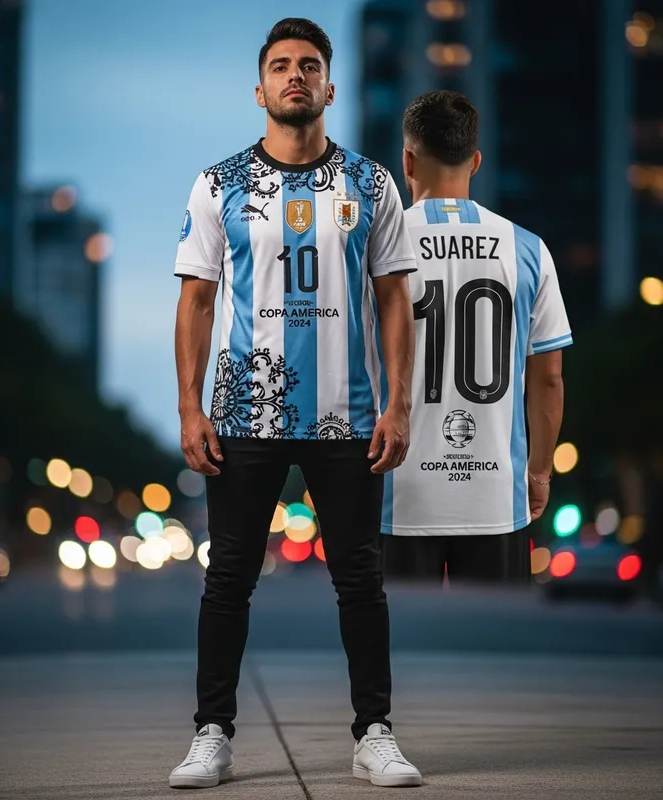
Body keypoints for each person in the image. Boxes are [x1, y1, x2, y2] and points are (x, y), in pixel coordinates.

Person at [170, 18, 422, 790]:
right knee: (229, 579)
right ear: (260, 89)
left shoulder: (372, 183)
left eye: (309, 65)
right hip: (246, 411)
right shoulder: (218, 184)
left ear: (329, 86)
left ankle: (373, 734)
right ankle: (212, 735)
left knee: (359, 579)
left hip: (346, 414)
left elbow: (393, 299)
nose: (295, 77)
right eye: (281, 66)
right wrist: (189, 408)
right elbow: (196, 304)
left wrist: (399, 404)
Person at [380, 91, 572, 585]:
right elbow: (547, 379)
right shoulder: (527, 248)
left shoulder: (374, 245)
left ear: (407, 159)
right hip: (494, 493)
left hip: (398, 493)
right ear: (476, 161)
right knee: (495, 655)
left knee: (395, 652)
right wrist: (540, 472)